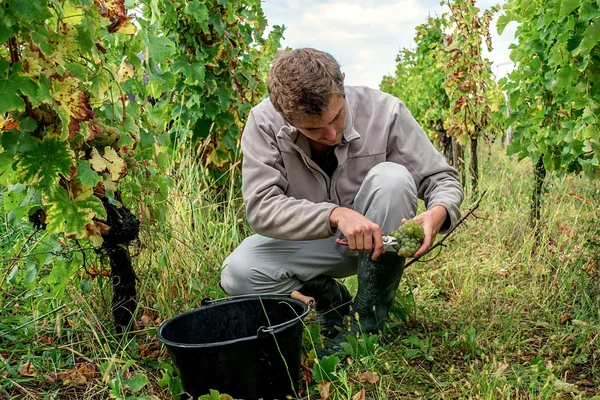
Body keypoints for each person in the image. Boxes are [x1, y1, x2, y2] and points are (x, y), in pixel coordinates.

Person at [220, 48, 463, 343]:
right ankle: (327, 296)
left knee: (393, 178)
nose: (332, 134)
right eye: (313, 128)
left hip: (377, 243)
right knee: (238, 273)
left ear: (342, 85)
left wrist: (438, 212)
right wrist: (334, 215)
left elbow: (442, 178)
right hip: (309, 243)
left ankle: (368, 319)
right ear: (284, 115)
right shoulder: (263, 122)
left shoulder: (386, 111)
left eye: (337, 117)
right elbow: (261, 208)